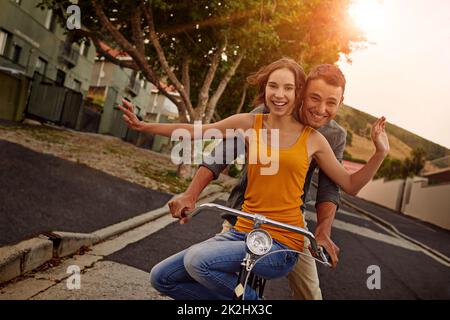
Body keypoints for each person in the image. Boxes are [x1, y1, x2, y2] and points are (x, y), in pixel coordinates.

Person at [118, 58, 389, 300]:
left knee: (199, 261)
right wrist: (144, 126)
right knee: (161, 277)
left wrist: (380, 153)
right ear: (302, 95)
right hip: (242, 227)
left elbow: (346, 185)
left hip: (285, 238)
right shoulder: (252, 121)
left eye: (288, 88)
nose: (280, 94)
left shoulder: (318, 139)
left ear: (297, 92)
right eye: (274, 86)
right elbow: (200, 132)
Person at [168, 63, 348, 300]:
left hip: (289, 225)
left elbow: (329, 188)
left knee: (311, 295)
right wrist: (191, 194)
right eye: (314, 98)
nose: (320, 109)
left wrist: (323, 231)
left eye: (330, 102)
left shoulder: (334, 136)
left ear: (339, 102)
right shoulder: (266, 114)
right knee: (212, 277)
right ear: (303, 92)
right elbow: (223, 154)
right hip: (243, 213)